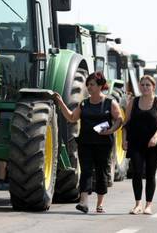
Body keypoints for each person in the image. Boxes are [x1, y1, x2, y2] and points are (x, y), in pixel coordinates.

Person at [54, 71, 123, 214]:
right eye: (88, 84)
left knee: (101, 172)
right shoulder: (84, 104)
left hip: (103, 143)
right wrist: (60, 102)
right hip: (85, 142)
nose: (89, 87)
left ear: (100, 86)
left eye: (92, 84)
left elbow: (119, 120)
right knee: (85, 171)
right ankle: (83, 202)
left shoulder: (110, 103)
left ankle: (100, 204)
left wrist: (111, 131)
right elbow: (72, 118)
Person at [123, 75, 157, 215]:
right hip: (136, 142)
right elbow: (126, 123)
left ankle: (148, 205)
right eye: (142, 85)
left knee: (150, 174)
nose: (145, 87)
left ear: (153, 87)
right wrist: (124, 140)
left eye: (148, 85)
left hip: (152, 144)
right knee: (136, 172)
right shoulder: (133, 102)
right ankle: (137, 204)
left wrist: (155, 137)